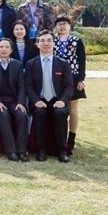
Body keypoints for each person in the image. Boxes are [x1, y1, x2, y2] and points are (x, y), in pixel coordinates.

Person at [25, 30, 73, 162]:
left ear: (54, 43)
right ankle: (40, 149)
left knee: (59, 113)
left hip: (57, 100)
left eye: (49, 40)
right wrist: (35, 101)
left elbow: (69, 86)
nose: (46, 43)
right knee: (39, 113)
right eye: (42, 41)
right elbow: (28, 86)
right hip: (39, 100)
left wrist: (63, 101)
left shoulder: (63, 63)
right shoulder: (31, 64)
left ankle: (62, 150)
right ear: (37, 44)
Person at [0, 38, 29, 162]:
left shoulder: (17, 65)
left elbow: (21, 86)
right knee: (3, 115)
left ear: (11, 50)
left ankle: (21, 150)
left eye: (7, 47)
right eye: (1, 47)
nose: (4, 50)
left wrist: (21, 103)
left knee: (21, 115)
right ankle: (11, 150)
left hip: (13, 100)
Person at [53, 14, 87, 154]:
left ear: (70, 26)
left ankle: (71, 139)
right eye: (59, 24)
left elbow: (82, 61)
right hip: (55, 77)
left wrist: (81, 79)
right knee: (58, 108)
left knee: (73, 108)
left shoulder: (76, 40)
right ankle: (57, 137)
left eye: (65, 23)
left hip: (72, 77)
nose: (62, 26)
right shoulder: (52, 40)